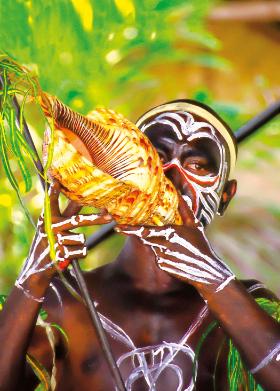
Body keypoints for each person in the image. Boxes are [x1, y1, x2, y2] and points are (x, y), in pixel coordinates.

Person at [0, 100, 279, 391]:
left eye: (196, 165)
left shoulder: (249, 305)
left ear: (225, 196)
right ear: (120, 172)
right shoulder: (62, 299)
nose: (169, 178)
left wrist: (215, 281)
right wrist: (30, 281)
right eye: (155, 158)